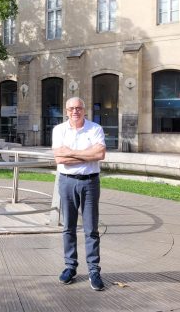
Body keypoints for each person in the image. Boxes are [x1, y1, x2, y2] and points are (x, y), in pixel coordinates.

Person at [52, 97, 106, 291]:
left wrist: (71, 153)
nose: (75, 111)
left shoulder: (95, 129)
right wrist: (86, 153)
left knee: (91, 228)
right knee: (68, 227)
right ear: (66, 111)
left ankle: (94, 270)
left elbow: (100, 154)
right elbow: (60, 158)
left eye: (79, 108)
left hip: (90, 182)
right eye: (71, 108)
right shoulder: (59, 130)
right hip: (67, 182)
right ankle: (70, 267)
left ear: (85, 110)